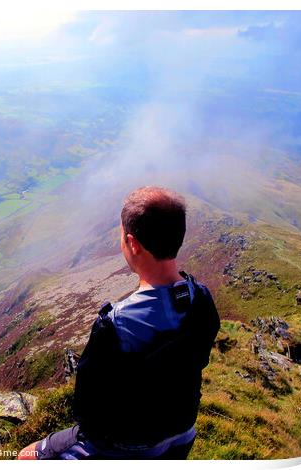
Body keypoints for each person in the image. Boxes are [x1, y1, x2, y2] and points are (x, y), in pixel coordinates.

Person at [18, 186, 220, 460]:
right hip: (182, 431)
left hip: (126, 444)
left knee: (25, 457)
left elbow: (87, 412)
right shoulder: (202, 298)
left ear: (133, 243)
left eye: (121, 236)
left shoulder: (117, 324)